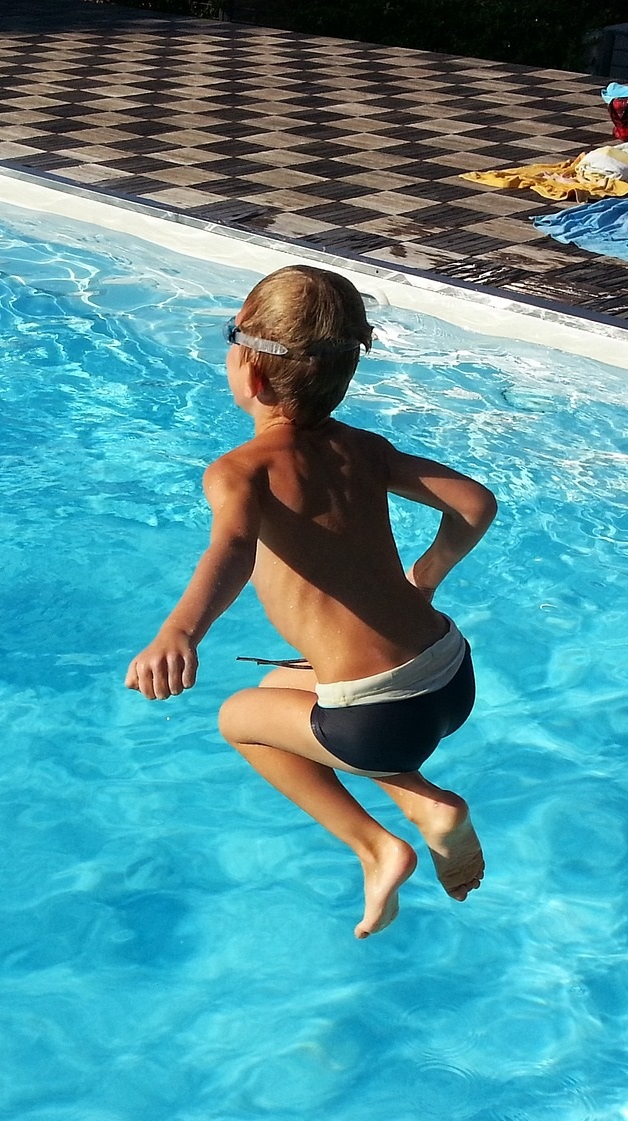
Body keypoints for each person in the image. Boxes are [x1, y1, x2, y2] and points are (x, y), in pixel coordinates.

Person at [125, 265, 497, 939]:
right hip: (451, 673)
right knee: (280, 682)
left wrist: (181, 631)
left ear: (253, 374)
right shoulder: (363, 448)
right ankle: (419, 806)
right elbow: (475, 503)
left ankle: (379, 843)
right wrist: (426, 575)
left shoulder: (242, 469)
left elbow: (232, 550)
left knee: (240, 717)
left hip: (382, 720)